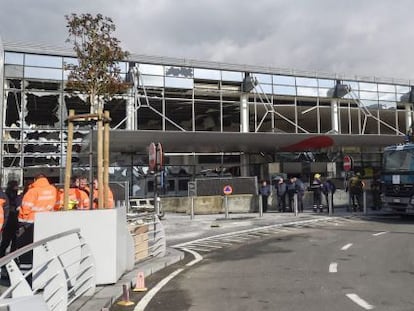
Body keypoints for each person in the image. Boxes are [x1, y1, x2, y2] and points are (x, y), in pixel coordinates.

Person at [16, 174, 58, 277]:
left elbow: (25, 209)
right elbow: (56, 205)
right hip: (46, 222)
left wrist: (20, 220)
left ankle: (26, 275)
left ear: (35, 180)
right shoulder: (53, 189)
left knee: (25, 250)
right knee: (42, 249)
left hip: (29, 224)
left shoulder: (33, 191)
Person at [0, 180, 20, 258]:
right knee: (9, 241)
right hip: (11, 221)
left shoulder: (6, 195)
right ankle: (9, 258)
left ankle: (4, 257)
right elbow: (7, 210)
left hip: (9, 221)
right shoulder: (8, 196)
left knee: (7, 242)